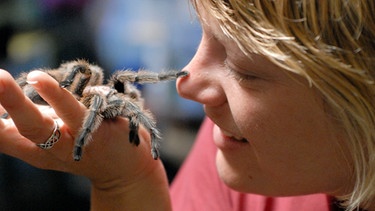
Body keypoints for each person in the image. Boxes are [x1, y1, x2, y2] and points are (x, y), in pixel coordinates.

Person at [0, 0, 374, 210]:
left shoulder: (260, 163)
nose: (186, 82)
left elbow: (133, 108)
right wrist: (123, 182)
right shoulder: (239, 150)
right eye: (203, 35)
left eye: (244, 70)